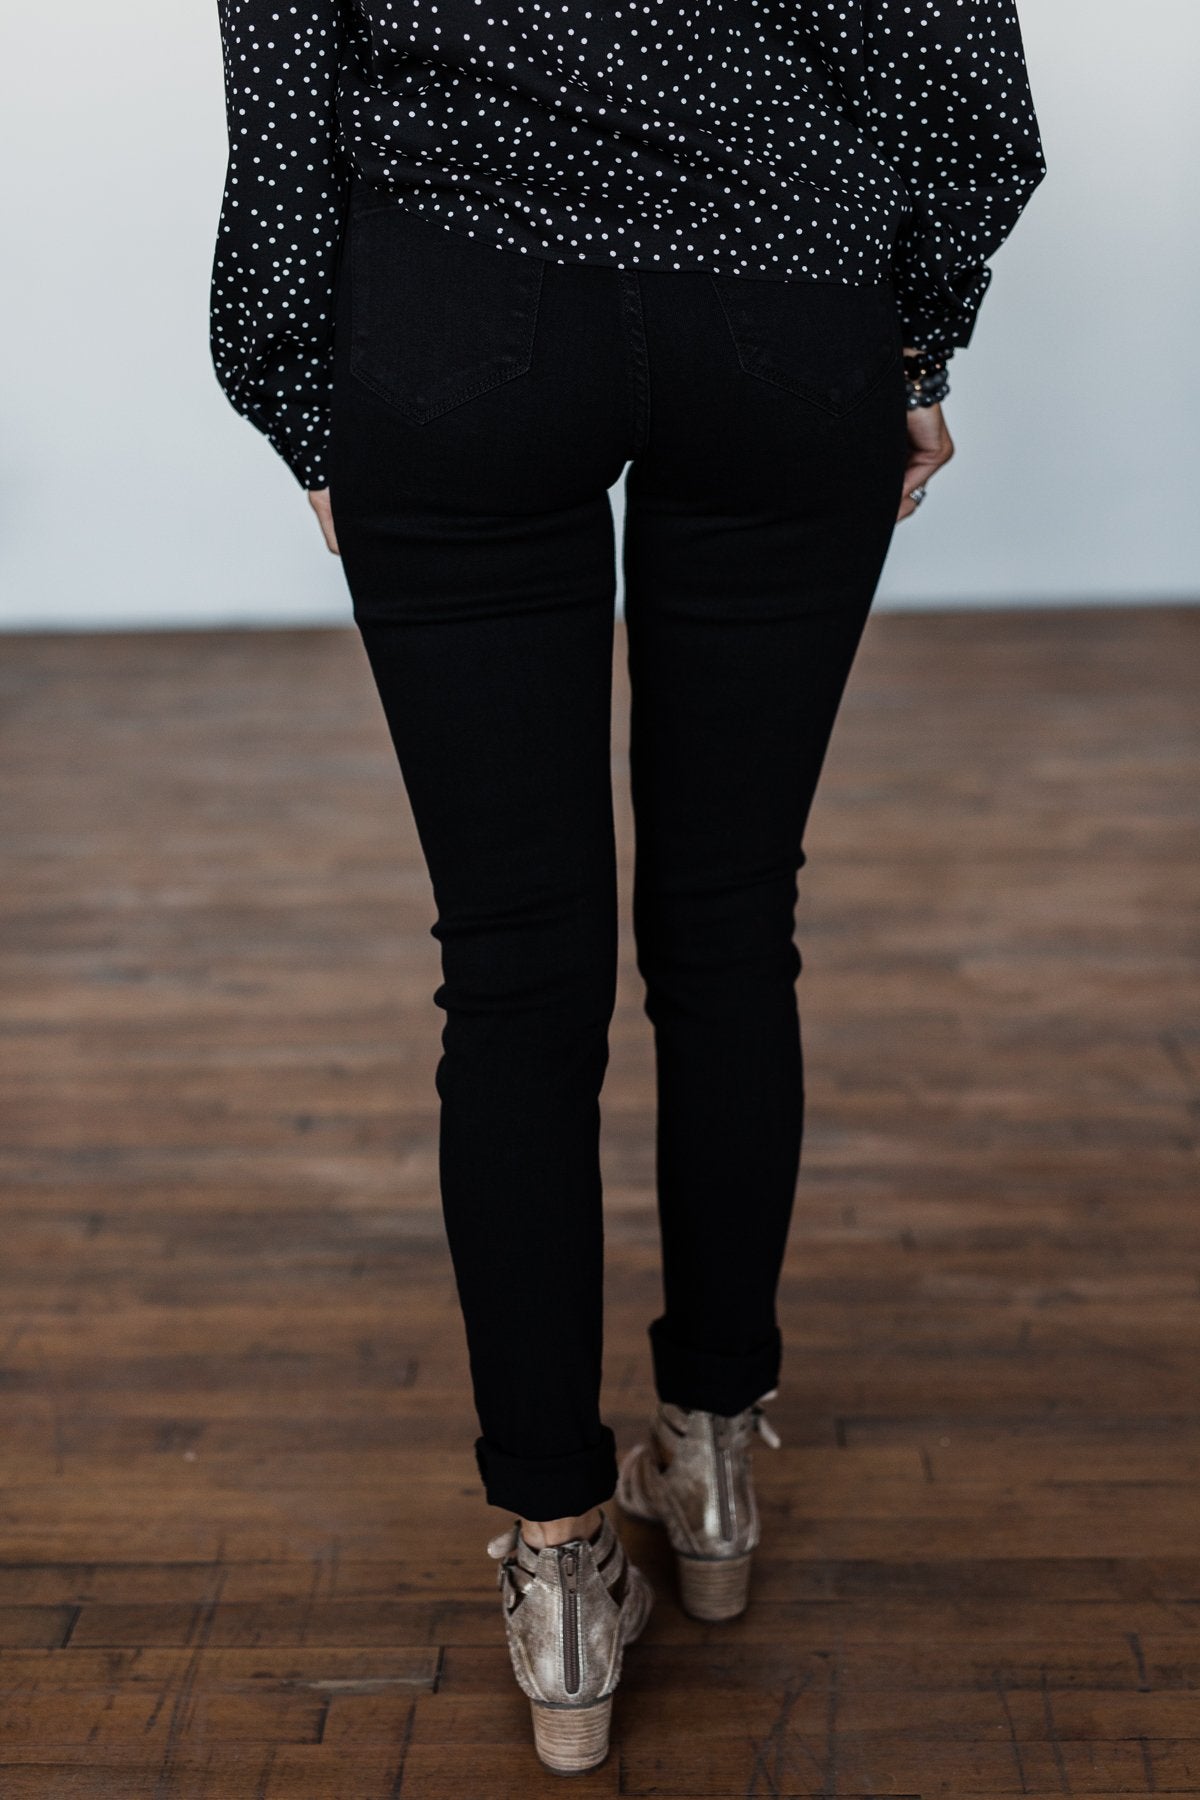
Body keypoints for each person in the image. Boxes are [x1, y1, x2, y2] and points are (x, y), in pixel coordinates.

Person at [211, 0, 1045, 1772]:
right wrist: (915, 332)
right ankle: (716, 1460)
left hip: (460, 319)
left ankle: (562, 1568)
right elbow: (961, 73)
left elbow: (283, 86)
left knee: (516, 973)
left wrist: (302, 397)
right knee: (734, 926)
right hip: (786, 309)